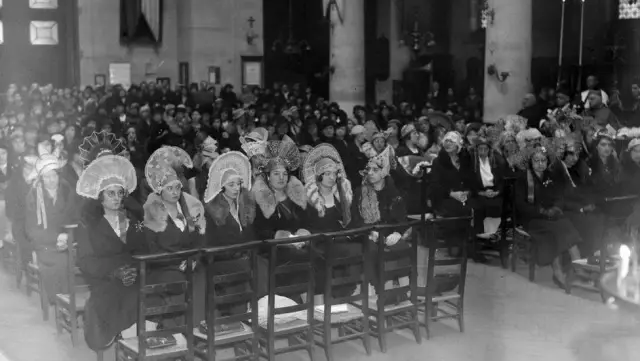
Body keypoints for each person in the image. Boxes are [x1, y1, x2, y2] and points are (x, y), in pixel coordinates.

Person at [75, 148, 142, 351]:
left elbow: (142, 250)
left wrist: (136, 269)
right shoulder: (88, 224)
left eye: (120, 193)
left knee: (144, 292)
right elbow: (86, 262)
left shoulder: (132, 220)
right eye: (110, 193)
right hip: (105, 279)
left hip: (133, 275)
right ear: (100, 197)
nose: (116, 198)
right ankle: (127, 341)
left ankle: (136, 344)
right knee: (119, 297)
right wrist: (114, 272)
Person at [202, 151, 264, 314]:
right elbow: (211, 242)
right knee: (242, 272)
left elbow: (253, 236)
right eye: (232, 185)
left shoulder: (246, 206)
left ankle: (261, 319)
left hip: (244, 259)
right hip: (222, 261)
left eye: (238, 184)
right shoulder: (212, 210)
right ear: (222, 187)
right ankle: (238, 321)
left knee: (263, 267)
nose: (236, 188)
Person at [515, 145, 583, 287]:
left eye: (543, 161)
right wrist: (542, 212)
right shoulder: (523, 179)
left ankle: (578, 266)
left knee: (566, 223)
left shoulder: (551, 176)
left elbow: (559, 197)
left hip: (551, 215)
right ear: (530, 162)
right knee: (556, 229)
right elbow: (521, 205)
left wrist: (556, 208)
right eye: (536, 161)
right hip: (533, 218)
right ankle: (559, 272)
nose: (540, 164)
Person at [351, 145, 411, 304]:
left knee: (403, 247)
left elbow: (402, 219)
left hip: (388, 234)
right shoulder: (360, 192)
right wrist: (370, 232)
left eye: (374, 170)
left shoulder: (394, 193)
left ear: (384, 172)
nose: (370, 173)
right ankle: (382, 292)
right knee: (373, 250)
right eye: (368, 170)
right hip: (368, 235)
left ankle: (404, 292)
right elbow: (355, 220)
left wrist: (397, 233)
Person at [24, 153, 79, 306]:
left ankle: (73, 303)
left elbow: (75, 218)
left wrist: (67, 237)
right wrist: (56, 238)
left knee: (78, 258)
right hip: (45, 243)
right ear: (41, 178)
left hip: (68, 239)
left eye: (53, 175)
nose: (51, 180)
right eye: (46, 177)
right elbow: (31, 230)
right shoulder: (33, 196)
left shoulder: (67, 190)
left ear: (58, 175)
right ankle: (63, 303)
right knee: (60, 261)